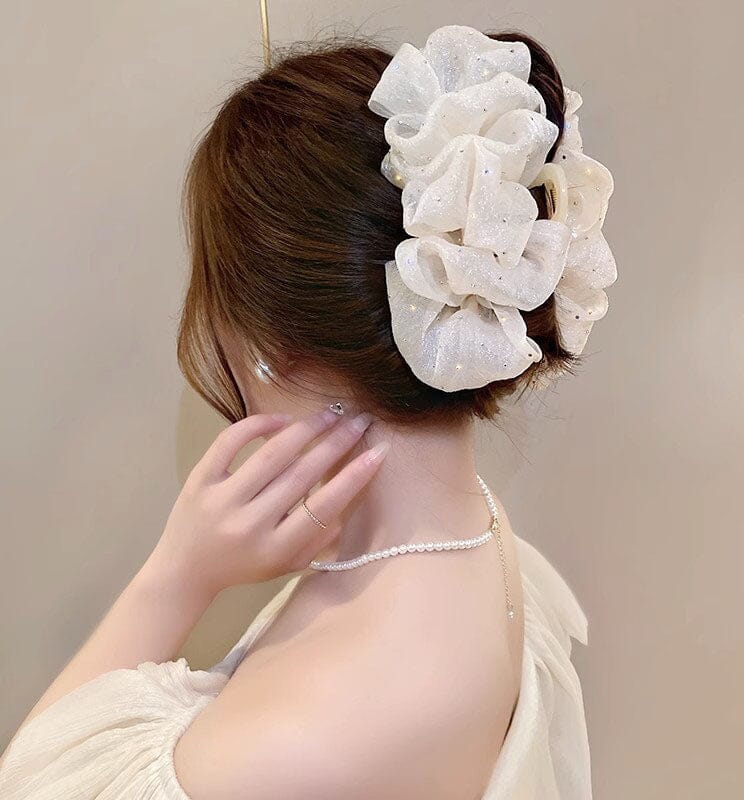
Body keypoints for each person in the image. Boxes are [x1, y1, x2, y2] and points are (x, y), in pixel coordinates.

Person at [0, 23, 615, 800]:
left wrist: (177, 577)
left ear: (268, 345)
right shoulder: (477, 536)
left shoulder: (299, 743)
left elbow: (36, 781)